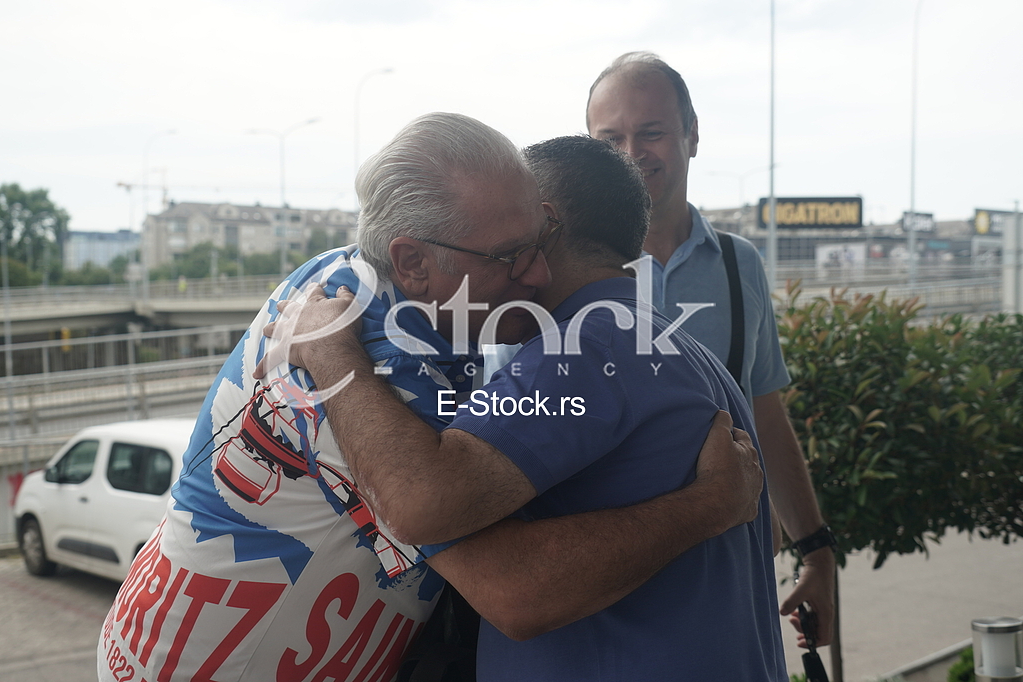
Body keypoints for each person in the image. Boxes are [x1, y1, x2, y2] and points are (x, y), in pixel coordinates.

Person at [99, 113, 761, 682]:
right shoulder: (355, 345)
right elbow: (499, 576)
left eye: (540, 240)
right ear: (412, 261)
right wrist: (706, 506)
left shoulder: (400, 296)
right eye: (511, 254)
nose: (534, 271)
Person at [265, 135, 787, 680]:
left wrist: (332, 351)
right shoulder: (678, 347)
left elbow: (481, 559)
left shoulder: (586, 346)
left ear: (545, 223)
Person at [585, 51, 837, 646]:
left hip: (734, 582)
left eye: (652, 132)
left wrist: (818, 555)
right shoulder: (564, 272)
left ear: (693, 136)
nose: (631, 153)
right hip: (607, 595)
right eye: (610, 138)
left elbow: (764, 415)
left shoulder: (737, 264)